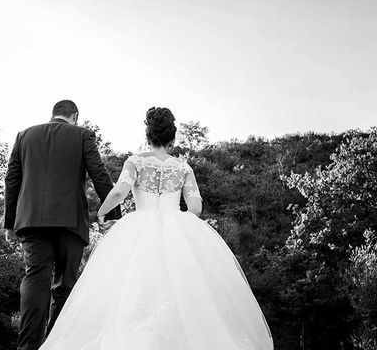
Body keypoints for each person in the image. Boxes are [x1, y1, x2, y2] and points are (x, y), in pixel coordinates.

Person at [38, 107, 274, 350]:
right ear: (172, 139)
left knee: (133, 286)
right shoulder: (183, 168)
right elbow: (195, 207)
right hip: (176, 230)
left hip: (139, 226)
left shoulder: (136, 161)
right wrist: (178, 220)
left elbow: (120, 191)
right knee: (181, 288)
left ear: (148, 136)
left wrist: (101, 211)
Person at [4, 100, 122, 350]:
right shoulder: (82, 135)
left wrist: (9, 222)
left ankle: (27, 347)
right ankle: (55, 344)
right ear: (75, 116)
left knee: (35, 280)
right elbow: (99, 173)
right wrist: (114, 215)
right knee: (64, 286)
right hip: (70, 221)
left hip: (32, 221)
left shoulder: (24, 135)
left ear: (53, 114)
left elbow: (12, 179)